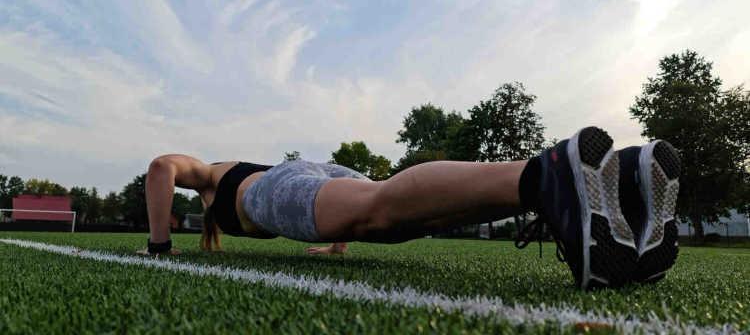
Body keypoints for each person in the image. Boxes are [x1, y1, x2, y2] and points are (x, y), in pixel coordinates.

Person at [139, 126, 680, 290]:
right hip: (310, 179)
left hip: (275, 189)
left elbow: (162, 166)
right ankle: (620, 194)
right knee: (397, 220)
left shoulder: (213, 175)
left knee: (378, 205)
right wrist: (335, 240)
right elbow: (326, 197)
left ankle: (545, 176)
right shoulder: (220, 197)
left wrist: (158, 245)